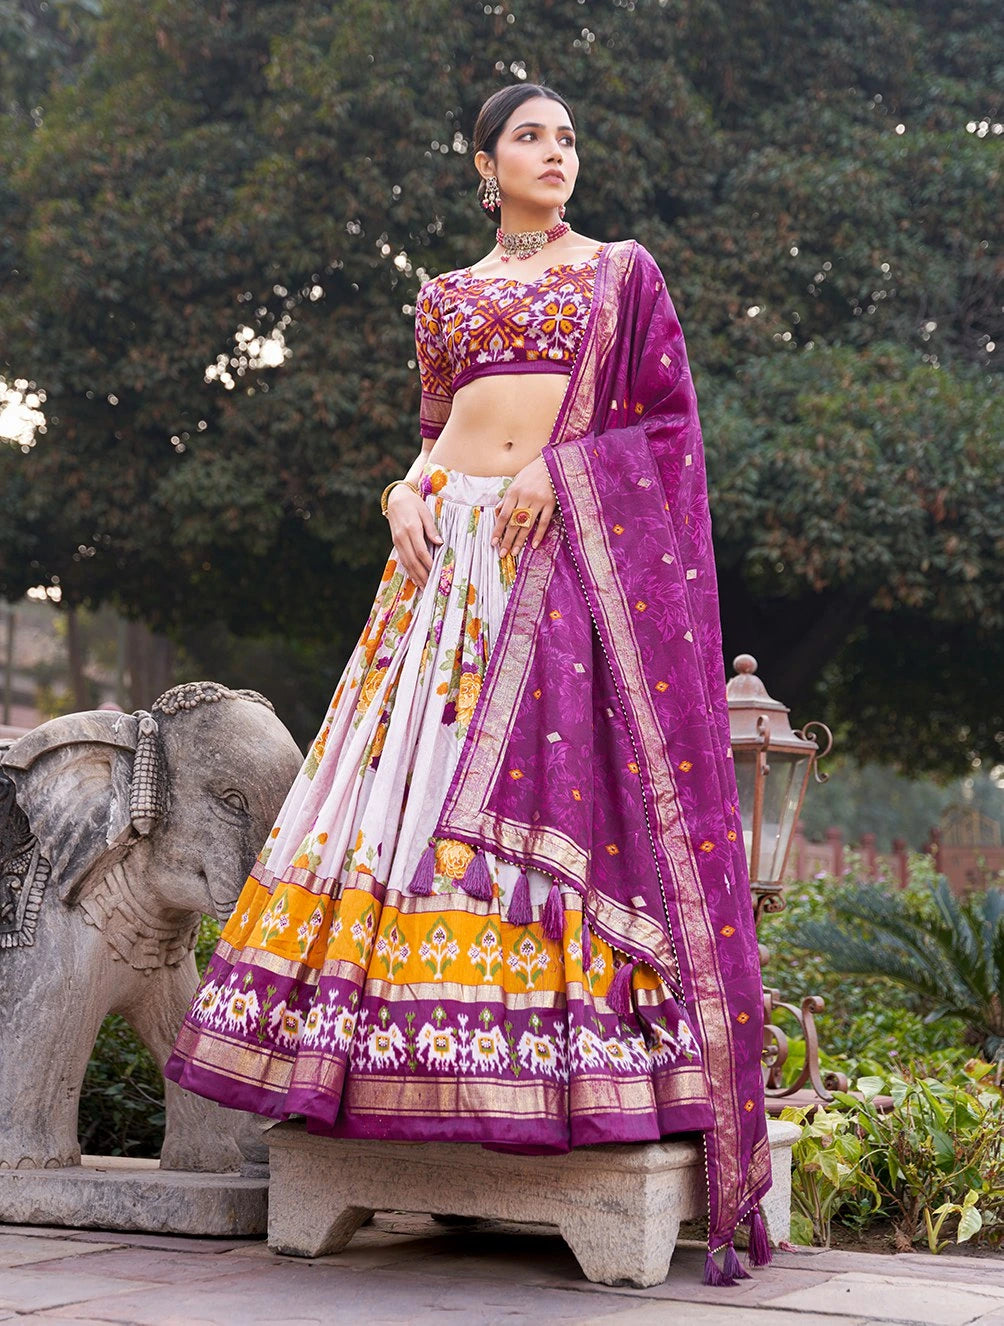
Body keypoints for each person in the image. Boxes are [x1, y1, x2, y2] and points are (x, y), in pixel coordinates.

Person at [164, 83, 771, 1284]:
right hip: (439, 581)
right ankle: (400, 1093)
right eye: (533, 139)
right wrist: (399, 491)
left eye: (568, 139)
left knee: (536, 814)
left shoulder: (620, 276)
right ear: (482, 167)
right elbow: (435, 430)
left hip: (550, 575)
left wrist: (572, 464)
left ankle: (559, 1089)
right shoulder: (441, 300)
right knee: (401, 814)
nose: (558, 155)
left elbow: (663, 433)